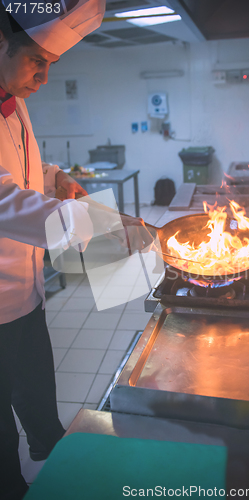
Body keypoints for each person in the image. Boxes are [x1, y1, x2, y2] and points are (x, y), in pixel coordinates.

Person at [0, 2, 150, 498]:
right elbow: (5, 202)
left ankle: (55, 455)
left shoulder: (14, 104)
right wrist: (104, 225)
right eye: (36, 62)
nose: (42, 78)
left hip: (26, 292)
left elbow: (22, 175)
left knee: (39, 394)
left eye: (50, 65)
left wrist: (55, 176)